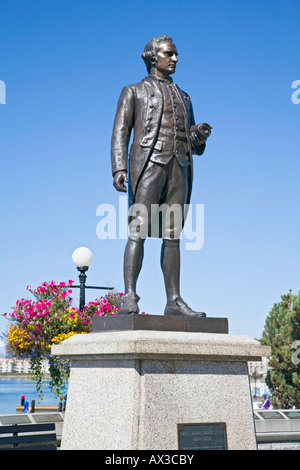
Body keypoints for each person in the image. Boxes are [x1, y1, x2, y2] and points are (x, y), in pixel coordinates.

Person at [111, 35, 211, 316]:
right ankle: (129, 295)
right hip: (149, 165)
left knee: (173, 236)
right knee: (138, 231)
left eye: (176, 54)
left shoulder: (185, 97)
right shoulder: (133, 91)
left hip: (180, 166)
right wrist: (119, 168)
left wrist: (198, 135)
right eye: (170, 53)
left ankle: (174, 300)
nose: (176, 58)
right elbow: (121, 131)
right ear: (153, 56)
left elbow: (192, 143)